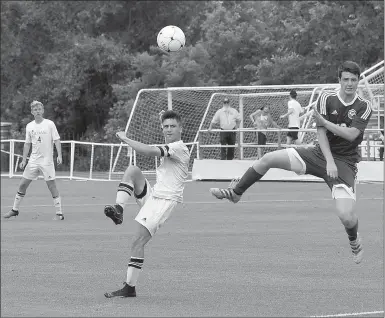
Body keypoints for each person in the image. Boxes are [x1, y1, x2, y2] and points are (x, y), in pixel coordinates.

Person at [210, 61, 371, 264]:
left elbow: (351, 134)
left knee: (346, 216)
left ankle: (354, 240)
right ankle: (236, 193)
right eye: (345, 79)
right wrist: (328, 160)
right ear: (339, 80)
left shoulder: (364, 106)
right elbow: (320, 132)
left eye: (354, 80)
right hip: (318, 154)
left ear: (358, 82)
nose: (349, 83)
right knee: (268, 159)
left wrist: (326, 124)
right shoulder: (326, 98)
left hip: (345, 164)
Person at [103, 110, 190, 298]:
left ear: (181, 129)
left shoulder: (179, 147)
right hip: (155, 195)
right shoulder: (172, 145)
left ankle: (129, 287)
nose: (168, 129)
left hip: (164, 201)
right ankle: (119, 210)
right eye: (165, 126)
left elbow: (149, 151)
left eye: (172, 126)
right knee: (133, 170)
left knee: (138, 242)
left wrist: (125, 138)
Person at [3, 100, 63, 220]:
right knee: (22, 185)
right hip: (33, 161)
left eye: (39, 109)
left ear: (43, 110)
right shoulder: (29, 126)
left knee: (51, 186)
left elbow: (56, 140)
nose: (38, 111)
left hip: (47, 161)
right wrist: (24, 160)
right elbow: (27, 144)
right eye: (35, 109)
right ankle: (14, 210)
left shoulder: (49, 124)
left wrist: (59, 155)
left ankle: (59, 214)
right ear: (32, 112)